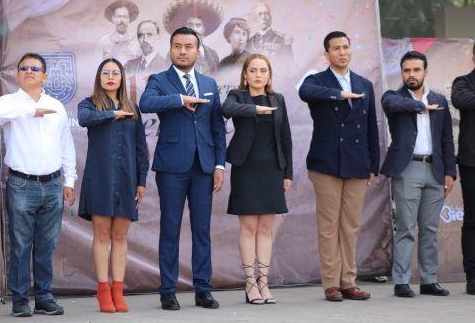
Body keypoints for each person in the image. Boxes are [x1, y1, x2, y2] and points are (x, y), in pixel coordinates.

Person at [139, 27, 226, 310]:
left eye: (189, 46)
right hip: (172, 166)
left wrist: (219, 165)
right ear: (171, 49)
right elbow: (145, 103)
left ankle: (203, 289)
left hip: (203, 166)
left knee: (202, 229)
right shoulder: (159, 80)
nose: (183, 51)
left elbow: (217, 128)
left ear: (198, 50)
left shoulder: (209, 83)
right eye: (178, 46)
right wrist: (179, 99)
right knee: (171, 227)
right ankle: (168, 290)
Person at [0, 53, 77, 317]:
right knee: (20, 245)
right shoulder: (9, 103)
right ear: (17, 74)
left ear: (45, 76)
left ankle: (44, 297)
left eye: (35, 68)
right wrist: (31, 110)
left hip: (52, 184)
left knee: (47, 245)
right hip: (21, 184)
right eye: (24, 67)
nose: (29, 71)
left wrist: (69, 180)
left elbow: (66, 144)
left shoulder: (57, 106)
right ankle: (19, 300)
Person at [298, 31, 379, 302]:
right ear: (327, 54)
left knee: (351, 225)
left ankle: (349, 282)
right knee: (328, 225)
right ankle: (330, 283)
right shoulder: (316, 81)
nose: (342, 52)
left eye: (346, 47)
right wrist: (339, 94)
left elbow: (371, 127)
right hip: (326, 163)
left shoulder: (365, 84)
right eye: (336, 48)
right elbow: (304, 92)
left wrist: (372, 165)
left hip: (357, 163)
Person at [381, 50, 456, 298]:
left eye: (416, 70)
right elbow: (391, 104)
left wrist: (450, 172)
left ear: (426, 72)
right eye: (406, 71)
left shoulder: (440, 100)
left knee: (430, 228)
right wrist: (420, 105)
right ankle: (401, 281)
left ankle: (428, 280)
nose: (411, 75)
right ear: (401, 73)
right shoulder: (394, 97)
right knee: (405, 226)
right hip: (407, 168)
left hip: (435, 169)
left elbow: (446, 138)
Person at [77, 58, 149, 313]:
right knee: (102, 234)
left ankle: (118, 290)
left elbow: (141, 147)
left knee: (120, 235)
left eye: (115, 73)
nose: (110, 76)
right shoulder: (89, 104)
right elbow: (84, 119)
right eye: (105, 72)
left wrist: (142, 181)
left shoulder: (134, 108)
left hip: (128, 178)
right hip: (100, 178)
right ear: (99, 77)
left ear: (121, 78)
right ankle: (103, 290)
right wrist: (112, 114)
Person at [222, 54, 292, 305]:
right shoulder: (237, 97)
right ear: (245, 74)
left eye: (263, 70)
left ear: (269, 74)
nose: (258, 74)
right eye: (253, 70)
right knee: (249, 227)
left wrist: (288, 172)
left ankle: (264, 283)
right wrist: (254, 109)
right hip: (247, 169)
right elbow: (225, 110)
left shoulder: (278, 99)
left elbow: (286, 138)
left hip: (272, 169)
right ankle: (250, 284)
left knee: (266, 228)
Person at [451, 43, 475, 295]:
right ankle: (473, 275)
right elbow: (461, 100)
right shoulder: (463, 82)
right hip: (472, 163)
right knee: (473, 221)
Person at [162, 0, 224, 78]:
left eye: (198, 25)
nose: (194, 29)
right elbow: (169, 80)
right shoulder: (172, 54)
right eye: (190, 25)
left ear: (203, 29)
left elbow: (217, 80)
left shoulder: (213, 55)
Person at [124, 20, 166, 102]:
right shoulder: (129, 65)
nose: (145, 39)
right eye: (141, 35)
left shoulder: (166, 65)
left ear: (158, 37)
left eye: (149, 35)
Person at [96, 0, 141, 65]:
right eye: (118, 16)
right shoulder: (104, 42)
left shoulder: (136, 41)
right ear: (113, 18)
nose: (122, 20)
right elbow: (96, 66)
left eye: (125, 17)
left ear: (129, 19)